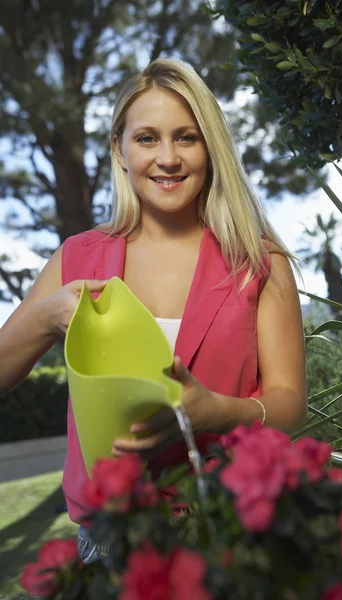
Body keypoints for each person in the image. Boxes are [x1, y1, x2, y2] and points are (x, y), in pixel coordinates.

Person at [0, 58, 307, 562]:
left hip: (231, 529)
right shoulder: (76, 257)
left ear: (211, 148)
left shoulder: (258, 262)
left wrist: (217, 411)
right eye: (147, 138)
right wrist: (46, 316)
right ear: (119, 150)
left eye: (186, 137)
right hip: (109, 541)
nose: (168, 157)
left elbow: (291, 402)